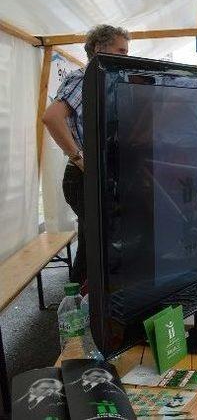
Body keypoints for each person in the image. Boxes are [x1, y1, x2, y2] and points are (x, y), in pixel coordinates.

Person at [42, 25, 130, 285]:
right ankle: (80, 303)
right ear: (99, 49)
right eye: (121, 50)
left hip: (97, 174)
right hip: (82, 177)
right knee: (95, 242)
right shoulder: (84, 79)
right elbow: (51, 118)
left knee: (97, 240)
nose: (125, 56)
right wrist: (80, 158)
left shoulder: (104, 81)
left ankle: (89, 301)